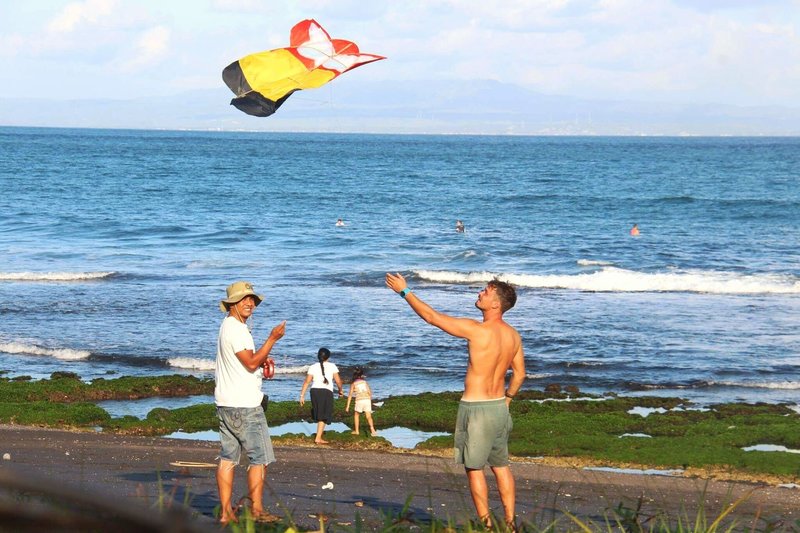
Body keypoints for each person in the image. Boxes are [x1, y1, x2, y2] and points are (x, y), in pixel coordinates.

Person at [385, 273, 525, 530]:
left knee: (474, 468)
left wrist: (404, 292)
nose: (480, 293)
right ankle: (510, 523)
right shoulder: (513, 336)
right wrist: (507, 400)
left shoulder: (477, 330)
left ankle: (486, 525)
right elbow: (520, 374)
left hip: (476, 409)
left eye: (486, 291)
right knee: (501, 467)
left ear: (496, 304)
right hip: (498, 408)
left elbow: (432, 317)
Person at [215, 281, 286, 524]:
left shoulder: (229, 327)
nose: (249, 303)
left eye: (252, 299)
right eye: (243, 299)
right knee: (260, 458)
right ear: (231, 304)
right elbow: (252, 362)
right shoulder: (236, 329)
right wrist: (272, 339)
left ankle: (226, 513)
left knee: (228, 458)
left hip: (226, 402)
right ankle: (256, 510)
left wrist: (261, 357)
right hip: (244, 405)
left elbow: (248, 362)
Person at [299, 347, 343, 444]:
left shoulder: (313, 366)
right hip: (326, 391)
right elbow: (338, 381)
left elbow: (307, 382)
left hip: (314, 391)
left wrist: (302, 395)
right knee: (324, 415)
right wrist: (340, 390)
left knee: (320, 414)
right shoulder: (332, 366)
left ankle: (318, 437)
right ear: (328, 357)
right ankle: (318, 438)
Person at [345, 367, 377, 436]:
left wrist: (347, 406)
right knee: (368, 416)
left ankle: (357, 431)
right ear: (361, 375)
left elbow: (350, 395)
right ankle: (372, 429)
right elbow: (369, 392)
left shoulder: (353, 384)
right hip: (367, 400)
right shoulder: (365, 382)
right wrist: (369, 400)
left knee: (356, 415)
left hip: (359, 400)